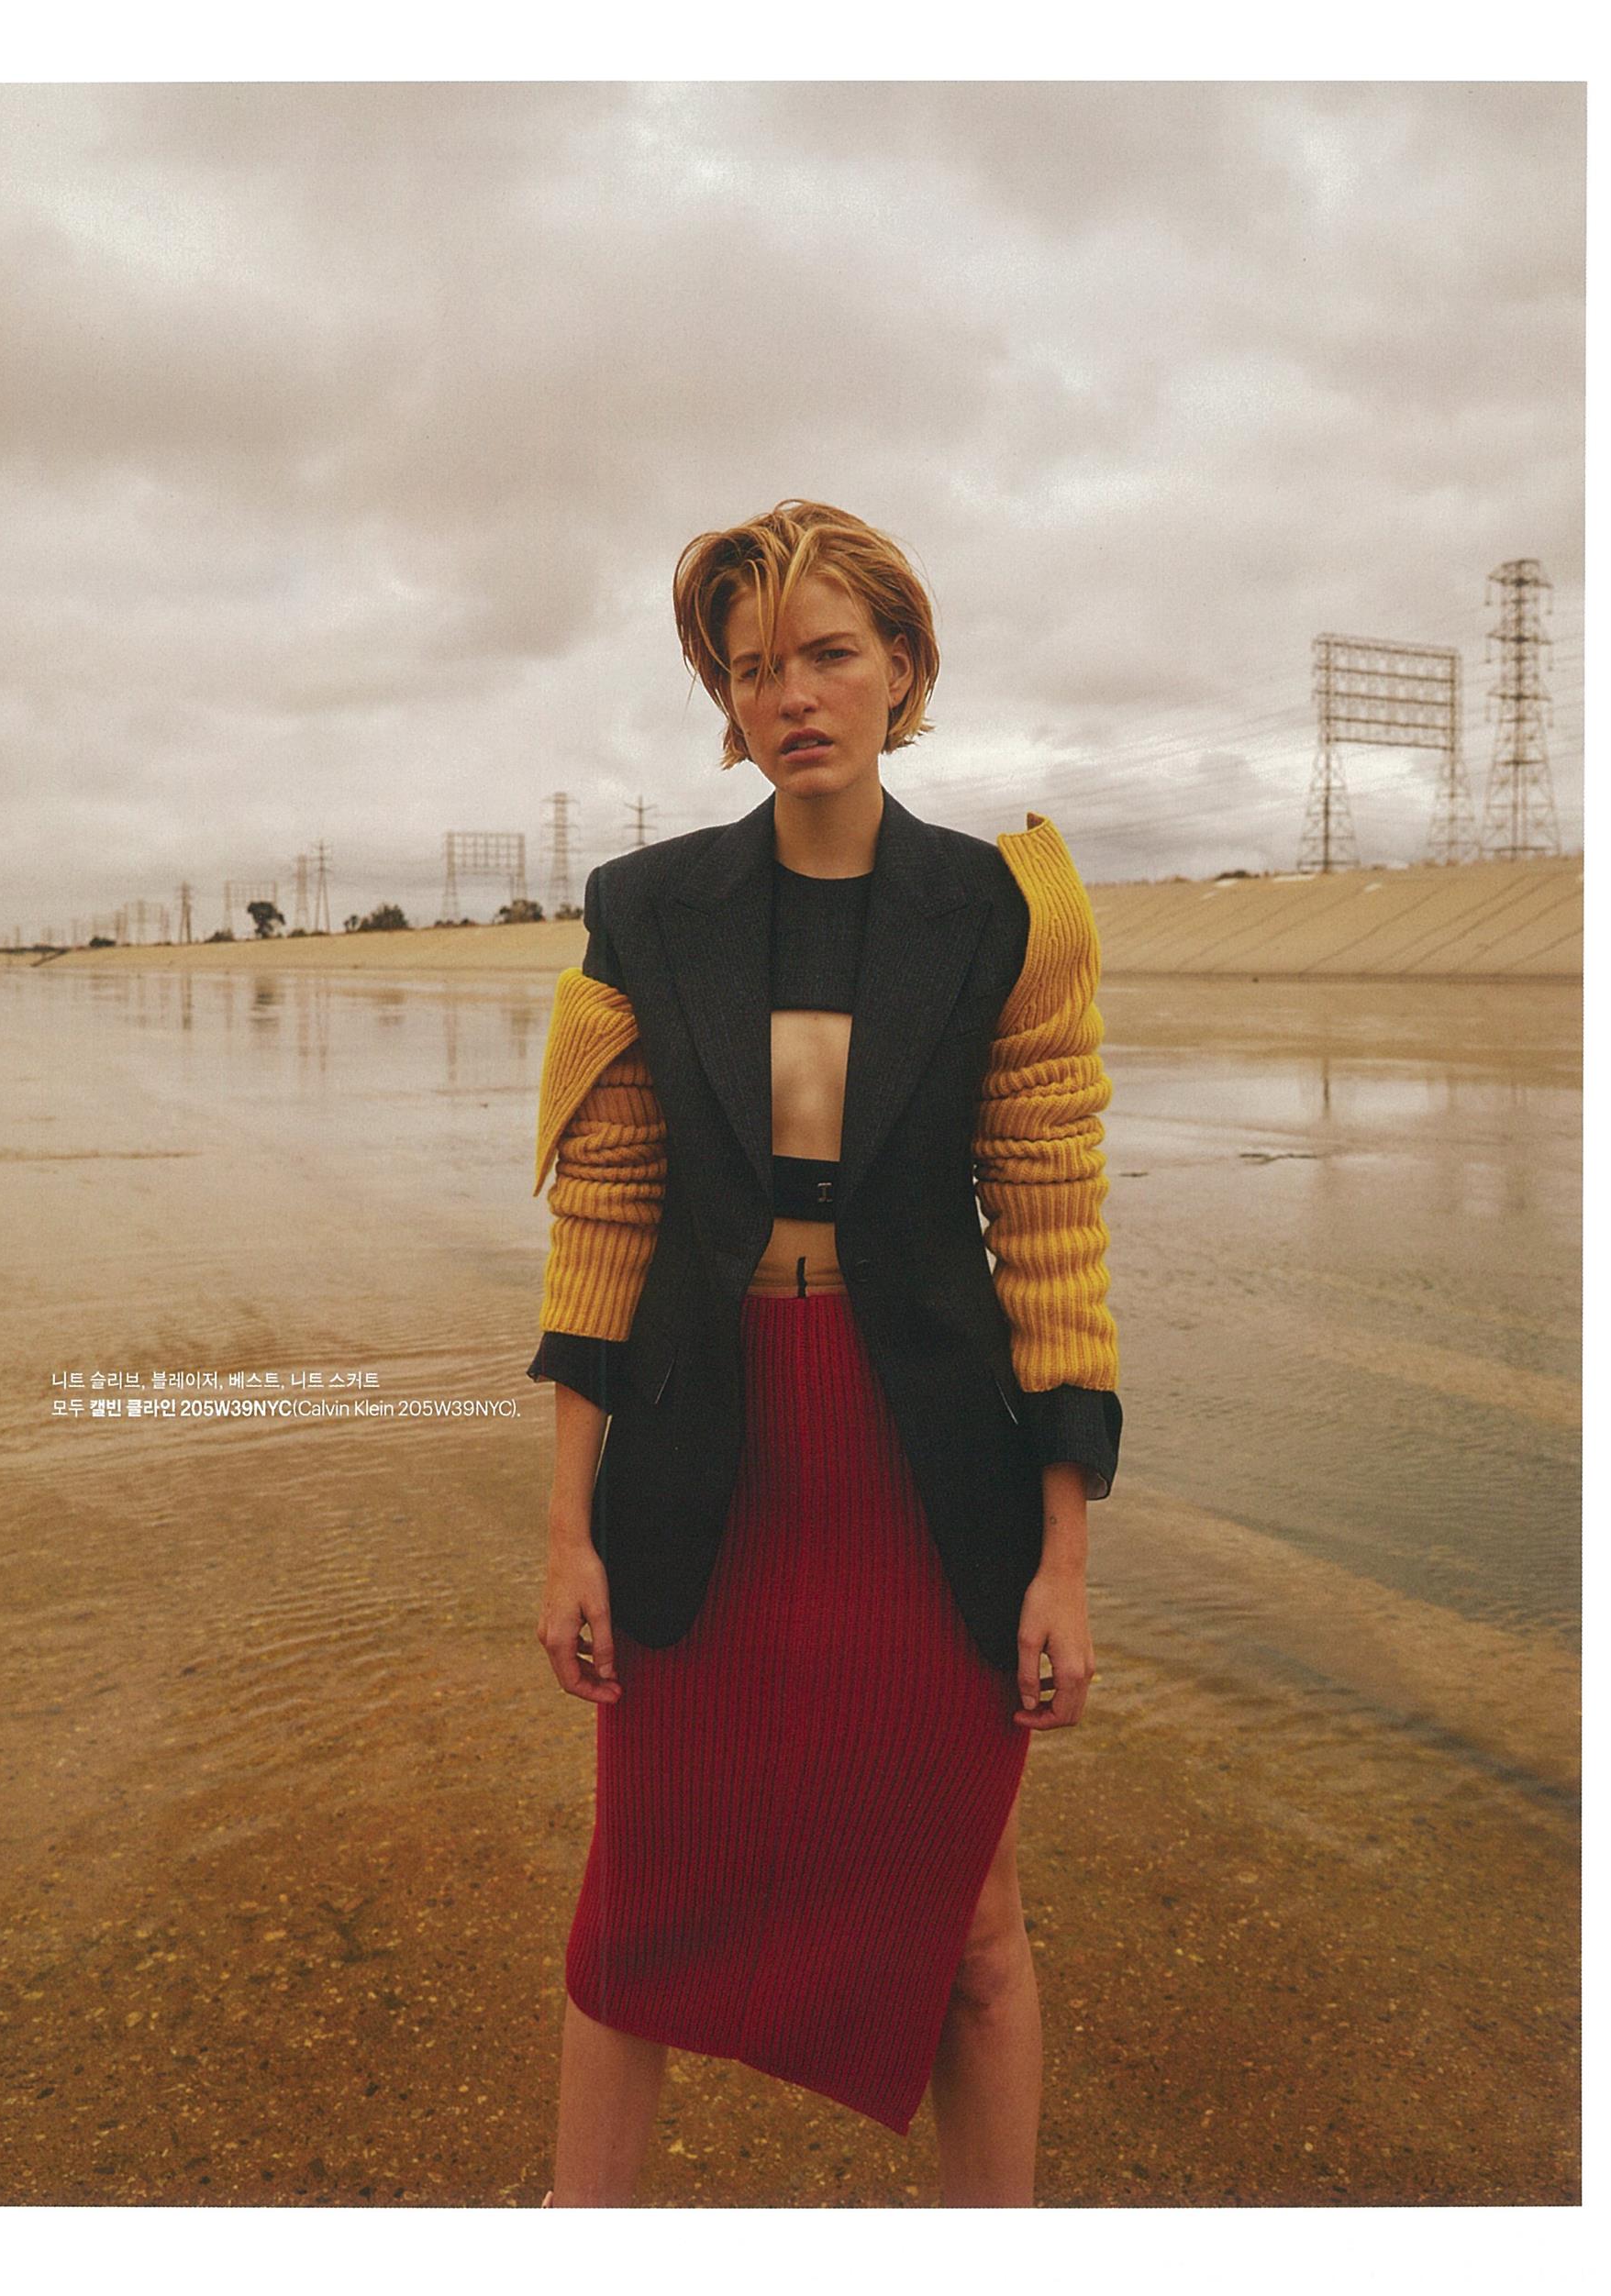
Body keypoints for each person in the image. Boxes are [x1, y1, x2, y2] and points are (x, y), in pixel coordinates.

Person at [527, 500, 1122, 2206]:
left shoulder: (1007, 912)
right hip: (704, 1454)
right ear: (725, 698)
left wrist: (1063, 1560)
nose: (791, 694)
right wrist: (566, 1532)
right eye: (752, 666)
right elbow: (606, 1227)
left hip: (926, 1468)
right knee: (638, 1904)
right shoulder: (644, 910)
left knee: (975, 1923)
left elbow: (1054, 1242)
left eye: (830, 654)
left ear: (905, 667)